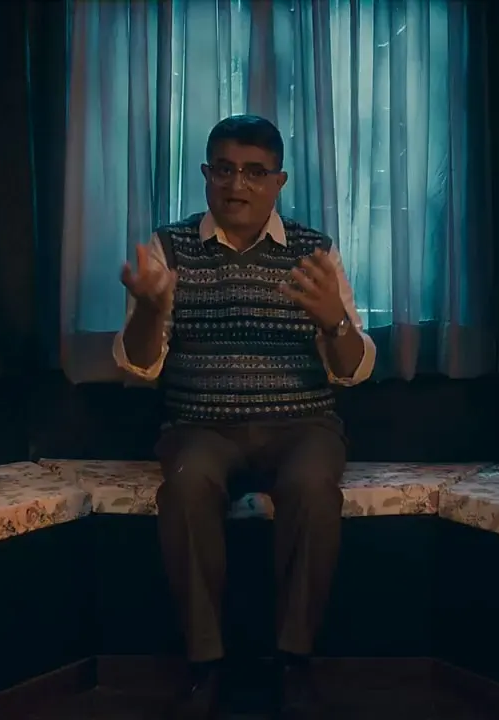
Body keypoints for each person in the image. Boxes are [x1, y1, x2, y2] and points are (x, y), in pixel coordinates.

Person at [113, 114, 376, 719]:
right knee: (185, 488)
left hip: (302, 426)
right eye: (226, 170)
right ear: (206, 174)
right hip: (200, 427)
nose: (239, 185)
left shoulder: (315, 252)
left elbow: (352, 370)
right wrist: (150, 309)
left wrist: (334, 321)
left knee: (314, 488)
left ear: (279, 181)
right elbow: (140, 365)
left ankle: (294, 663)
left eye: (256, 173)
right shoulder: (170, 247)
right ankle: (206, 666)